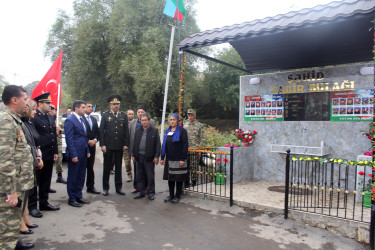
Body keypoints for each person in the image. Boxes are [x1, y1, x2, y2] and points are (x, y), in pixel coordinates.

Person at [0, 85, 35, 249]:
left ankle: (14, 244)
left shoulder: (14, 120)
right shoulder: (6, 121)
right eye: (25, 99)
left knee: (12, 227)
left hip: (17, 184)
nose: (27, 104)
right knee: (6, 231)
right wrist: (11, 190)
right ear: (15, 100)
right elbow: (4, 160)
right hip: (10, 189)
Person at [30, 92, 60, 211]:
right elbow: (33, 138)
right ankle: (32, 207)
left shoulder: (50, 116)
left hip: (49, 153)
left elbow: (53, 136)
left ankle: (44, 203)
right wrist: (37, 155)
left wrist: (56, 151)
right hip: (40, 155)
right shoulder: (34, 117)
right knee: (35, 182)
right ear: (40, 104)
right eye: (47, 103)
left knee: (46, 180)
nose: (50, 105)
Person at [20, 99, 43, 237]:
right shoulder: (20, 123)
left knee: (27, 192)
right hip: (23, 165)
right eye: (33, 109)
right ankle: (20, 224)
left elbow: (34, 142)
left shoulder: (28, 123)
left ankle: (25, 218)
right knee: (22, 195)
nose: (34, 111)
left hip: (31, 161)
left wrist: (37, 154)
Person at [100, 95, 129, 196]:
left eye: (117, 104)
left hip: (119, 146)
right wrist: (102, 144)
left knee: (118, 168)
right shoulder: (105, 115)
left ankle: (118, 188)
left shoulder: (123, 115)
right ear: (110, 105)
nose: (116, 106)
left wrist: (126, 144)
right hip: (108, 146)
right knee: (107, 167)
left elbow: (126, 131)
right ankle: (105, 188)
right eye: (114, 104)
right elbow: (101, 131)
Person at [64, 100, 91, 207]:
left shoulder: (81, 119)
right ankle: (72, 198)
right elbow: (69, 139)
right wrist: (73, 155)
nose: (85, 109)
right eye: (83, 107)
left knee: (81, 175)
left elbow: (84, 137)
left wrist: (87, 150)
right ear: (76, 108)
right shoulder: (70, 120)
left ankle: (79, 196)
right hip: (75, 153)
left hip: (83, 152)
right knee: (73, 176)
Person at [160, 114, 189, 204]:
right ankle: (171, 195)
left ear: (177, 121)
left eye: (174, 119)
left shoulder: (182, 131)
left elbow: (185, 145)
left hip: (179, 158)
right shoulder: (167, 131)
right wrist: (162, 157)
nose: (172, 121)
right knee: (170, 178)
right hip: (169, 158)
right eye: (171, 119)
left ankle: (177, 196)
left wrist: (182, 159)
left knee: (178, 178)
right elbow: (164, 145)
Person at [132, 114, 161, 200]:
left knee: (150, 176)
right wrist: (133, 154)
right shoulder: (138, 130)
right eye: (142, 120)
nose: (144, 122)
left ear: (149, 121)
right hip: (139, 157)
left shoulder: (154, 131)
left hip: (149, 158)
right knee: (139, 176)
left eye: (145, 120)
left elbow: (158, 145)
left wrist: (156, 156)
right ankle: (141, 192)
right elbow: (135, 143)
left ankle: (151, 192)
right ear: (140, 121)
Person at [129, 105, 155, 193]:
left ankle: (148, 188)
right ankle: (137, 187)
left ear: (145, 113)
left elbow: (154, 138)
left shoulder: (151, 122)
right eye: (139, 112)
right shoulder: (133, 123)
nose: (140, 113)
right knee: (137, 171)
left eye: (142, 112)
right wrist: (131, 151)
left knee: (148, 171)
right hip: (137, 152)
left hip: (148, 152)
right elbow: (130, 137)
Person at [184, 109, 205, 187]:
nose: (190, 116)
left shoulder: (199, 125)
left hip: (195, 150)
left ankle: (194, 182)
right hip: (186, 150)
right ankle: (186, 182)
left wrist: (200, 150)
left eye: (192, 115)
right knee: (186, 166)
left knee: (194, 167)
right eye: (189, 115)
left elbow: (202, 139)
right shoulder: (185, 125)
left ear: (195, 116)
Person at [83, 101, 100, 194]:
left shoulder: (93, 119)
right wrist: (88, 141)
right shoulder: (81, 119)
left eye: (91, 106)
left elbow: (97, 132)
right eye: (88, 106)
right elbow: (80, 133)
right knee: (81, 168)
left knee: (90, 167)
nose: (90, 108)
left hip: (92, 147)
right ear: (84, 108)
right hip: (84, 146)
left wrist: (95, 140)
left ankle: (90, 186)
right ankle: (79, 188)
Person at [50, 104, 67, 184]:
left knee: (59, 159)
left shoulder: (60, 120)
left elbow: (65, 129)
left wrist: (60, 129)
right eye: (50, 109)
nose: (51, 110)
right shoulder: (47, 119)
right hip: (50, 143)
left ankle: (59, 176)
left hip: (58, 142)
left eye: (53, 109)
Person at [123, 109, 134, 182]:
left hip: (134, 146)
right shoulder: (124, 123)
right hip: (126, 146)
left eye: (132, 114)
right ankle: (129, 175)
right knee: (127, 163)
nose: (131, 115)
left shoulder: (136, 122)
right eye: (129, 114)